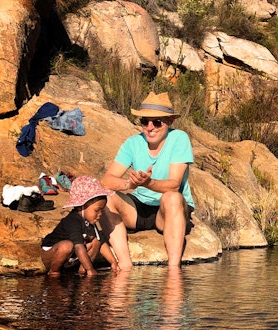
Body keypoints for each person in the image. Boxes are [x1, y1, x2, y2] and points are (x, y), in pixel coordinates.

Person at [101, 92, 195, 270]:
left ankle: (173, 270)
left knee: (172, 197)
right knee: (104, 196)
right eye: (145, 121)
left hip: (167, 210)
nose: (150, 127)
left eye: (157, 122)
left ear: (170, 121)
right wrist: (129, 184)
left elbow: (174, 184)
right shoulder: (133, 143)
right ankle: (124, 264)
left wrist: (148, 183)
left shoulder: (179, 138)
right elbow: (107, 180)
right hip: (139, 207)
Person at [41, 176, 119, 277]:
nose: (100, 214)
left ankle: (83, 270)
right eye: (97, 210)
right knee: (67, 246)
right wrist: (91, 269)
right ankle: (54, 271)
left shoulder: (89, 222)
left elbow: (102, 242)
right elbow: (78, 247)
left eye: (101, 210)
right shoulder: (72, 221)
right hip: (52, 254)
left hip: (70, 256)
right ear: (82, 206)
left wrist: (113, 262)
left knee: (96, 241)